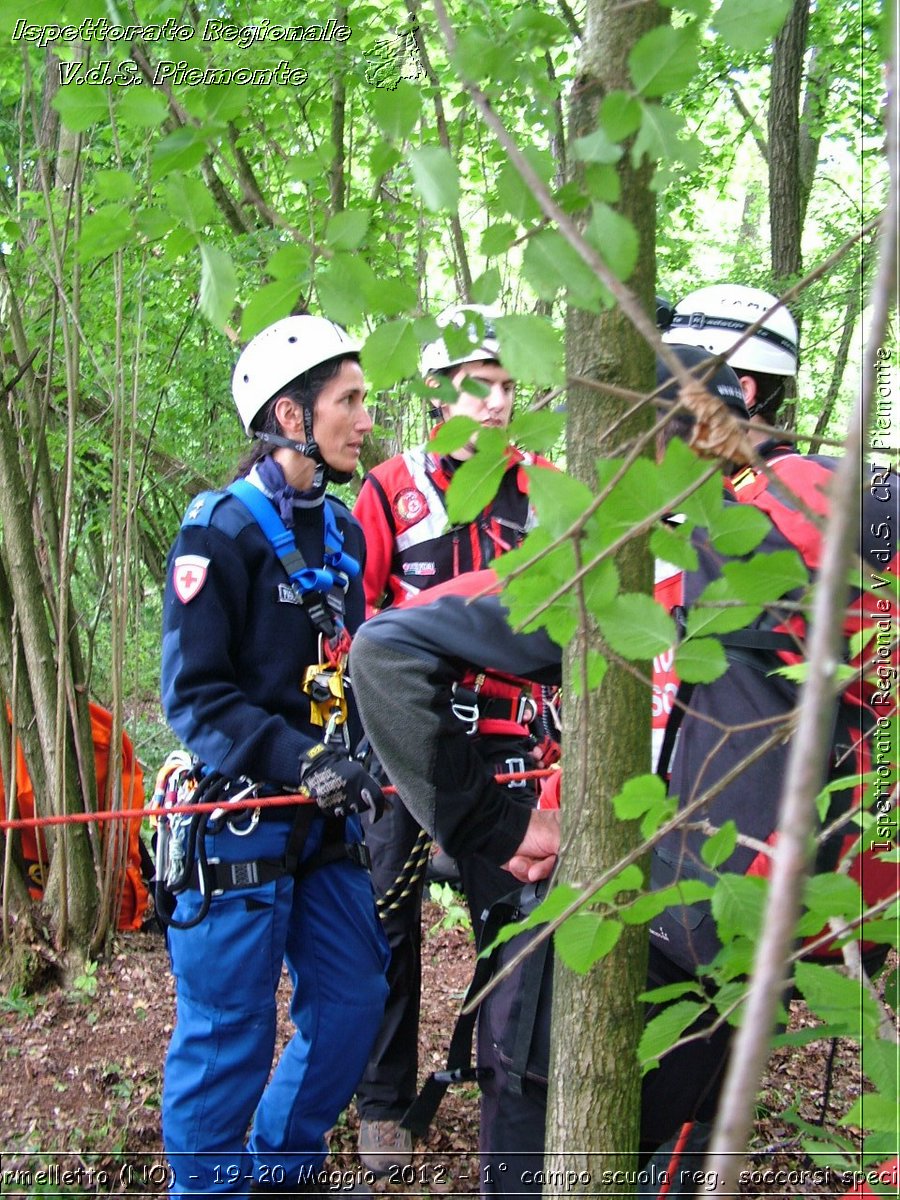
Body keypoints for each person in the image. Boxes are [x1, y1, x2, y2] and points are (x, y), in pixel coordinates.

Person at [349, 336, 898, 1195]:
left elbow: (386, 650)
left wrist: (491, 825)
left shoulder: (633, 565)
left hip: (620, 950)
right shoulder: (857, 516)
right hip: (762, 965)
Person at [159, 314, 390, 1199]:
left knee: (352, 1001)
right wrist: (300, 761)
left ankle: (284, 1168)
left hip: (324, 819)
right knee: (229, 1031)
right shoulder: (217, 532)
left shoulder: (347, 536)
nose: (366, 419)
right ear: (292, 417)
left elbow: (353, 667)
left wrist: (369, 757)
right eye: (350, 401)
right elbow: (195, 697)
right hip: (238, 820)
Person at [351, 304, 557, 1173]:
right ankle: (385, 1105)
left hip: (514, 754)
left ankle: (512, 1096)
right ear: (440, 391)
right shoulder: (391, 487)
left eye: (511, 384)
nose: (501, 401)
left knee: (518, 932)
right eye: (483, 384)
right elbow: (358, 622)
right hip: (418, 753)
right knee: (387, 931)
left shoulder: (548, 486)